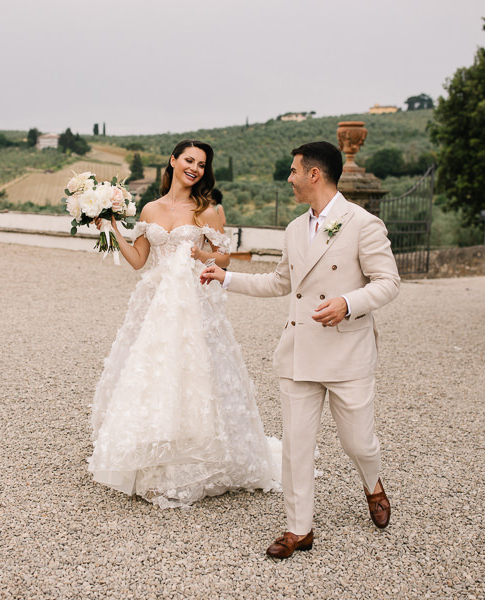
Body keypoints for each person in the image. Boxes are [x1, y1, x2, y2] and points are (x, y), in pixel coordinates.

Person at [200, 141, 400, 558]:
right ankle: (298, 529)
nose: (288, 179)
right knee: (296, 447)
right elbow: (279, 282)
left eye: (293, 171)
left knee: (359, 443)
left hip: (348, 353)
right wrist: (226, 277)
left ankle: (373, 483)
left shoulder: (363, 223)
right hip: (299, 352)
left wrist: (348, 303)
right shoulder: (293, 229)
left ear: (314, 174)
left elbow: (388, 282)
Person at [88, 139, 278, 508]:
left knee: (194, 375)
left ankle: (195, 452)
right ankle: (152, 450)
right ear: (173, 161)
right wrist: (110, 228)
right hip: (155, 302)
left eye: (202, 164)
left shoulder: (207, 210)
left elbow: (224, 256)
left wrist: (201, 253)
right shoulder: (150, 209)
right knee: (154, 371)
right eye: (189, 160)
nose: (195, 168)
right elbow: (139, 260)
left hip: (193, 302)